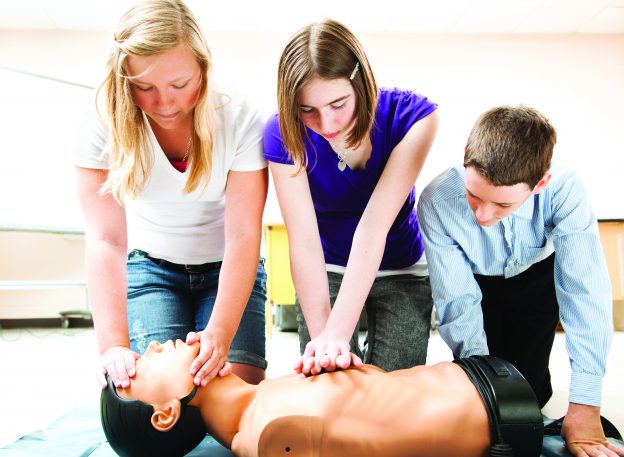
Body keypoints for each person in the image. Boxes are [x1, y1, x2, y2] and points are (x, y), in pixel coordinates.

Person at [75, 0, 268, 391]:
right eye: (144, 87)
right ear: (124, 80)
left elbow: (244, 235)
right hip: (151, 270)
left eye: (180, 85)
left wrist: (220, 332)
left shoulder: (239, 114)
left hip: (224, 266)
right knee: (152, 389)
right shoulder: (101, 121)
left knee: (230, 389)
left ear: (203, 67)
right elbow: (105, 239)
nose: (164, 104)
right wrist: (113, 346)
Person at [417, 105, 624, 457]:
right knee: (491, 397)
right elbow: (458, 300)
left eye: (501, 204)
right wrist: (483, 390)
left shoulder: (564, 189)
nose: (482, 216)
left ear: (539, 185)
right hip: (476, 283)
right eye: (474, 197)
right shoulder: (438, 199)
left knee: (531, 394)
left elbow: (584, 290)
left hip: (535, 279)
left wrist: (586, 405)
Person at [263, 19, 439, 376]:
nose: (327, 124)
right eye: (307, 109)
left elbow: (374, 227)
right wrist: (327, 338)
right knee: (328, 380)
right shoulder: (282, 133)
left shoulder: (413, 118)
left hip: (401, 266)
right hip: (326, 267)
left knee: (391, 391)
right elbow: (304, 242)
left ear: (360, 83)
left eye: (338, 103)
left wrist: (341, 332)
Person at [100, 339, 546, 457]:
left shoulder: (264, 401)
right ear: (165, 415)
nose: (154, 347)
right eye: (141, 365)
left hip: (483, 382)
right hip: (498, 411)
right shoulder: (275, 437)